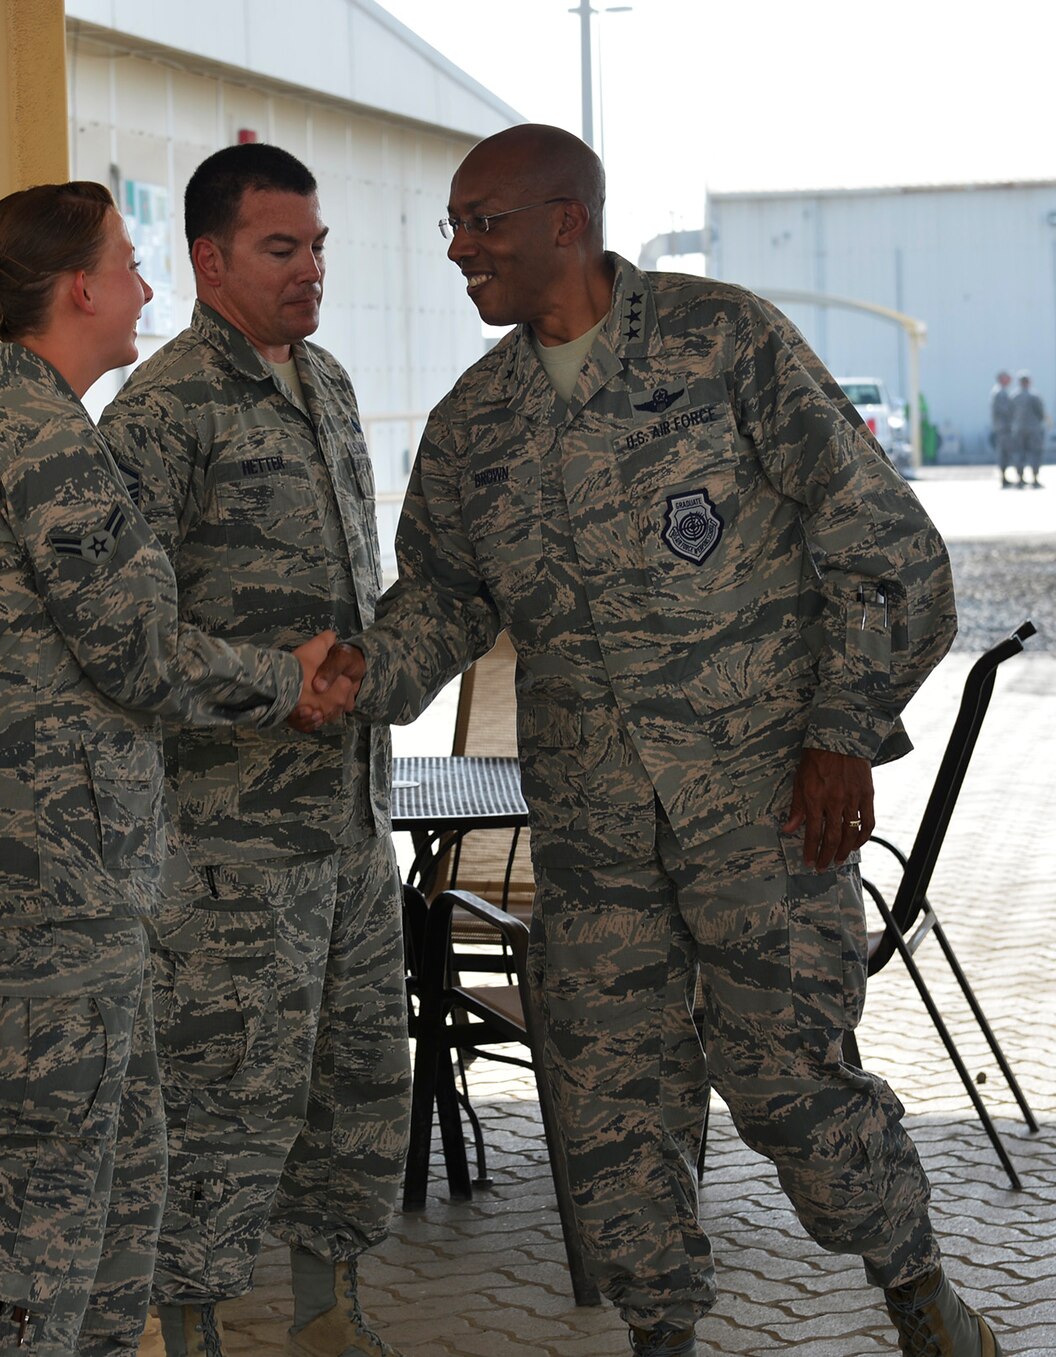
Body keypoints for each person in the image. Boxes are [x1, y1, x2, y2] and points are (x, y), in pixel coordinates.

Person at [319, 123, 995, 1357]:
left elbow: (885, 551)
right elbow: (444, 596)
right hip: (592, 835)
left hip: (764, 810)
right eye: (452, 228)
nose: (459, 249)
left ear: (565, 223)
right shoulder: (476, 424)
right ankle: (659, 1336)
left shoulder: (722, 343)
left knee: (790, 1081)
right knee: (611, 1102)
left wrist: (840, 732)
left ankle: (920, 1298)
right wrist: (362, 669)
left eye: (485, 223)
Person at [0, 180, 353, 1357]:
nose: (147, 287)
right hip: (54, 890)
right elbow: (143, 651)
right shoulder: (50, 452)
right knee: (37, 1210)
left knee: (112, 1188)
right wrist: (281, 679)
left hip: (60, 883)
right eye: (129, 265)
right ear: (79, 288)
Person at [97, 143, 410, 1357]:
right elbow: (134, 640)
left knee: (354, 1086)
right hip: (228, 850)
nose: (309, 269)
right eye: (281, 248)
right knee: (224, 1103)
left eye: (318, 244)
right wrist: (271, 688)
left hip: (346, 826)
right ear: (208, 258)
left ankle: (330, 1316)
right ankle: (190, 1333)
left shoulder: (324, 384)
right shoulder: (160, 413)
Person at [1011, 371, 1044, 489]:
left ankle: (1020, 478)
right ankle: (1035, 478)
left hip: (1018, 428)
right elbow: (1040, 413)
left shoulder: (1014, 396)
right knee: (1035, 452)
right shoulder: (1034, 395)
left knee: (1019, 452)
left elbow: (1010, 413)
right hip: (1033, 429)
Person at [989, 369, 1017, 486]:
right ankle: (1004, 478)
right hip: (1003, 427)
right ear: (1002, 379)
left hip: (1004, 427)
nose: (1010, 380)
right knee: (1004, 452)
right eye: (1007, 378)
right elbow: (1004, 410)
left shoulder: (1001, 391)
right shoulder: (1000, 392)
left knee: (1006, 452)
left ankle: (1005, 477)